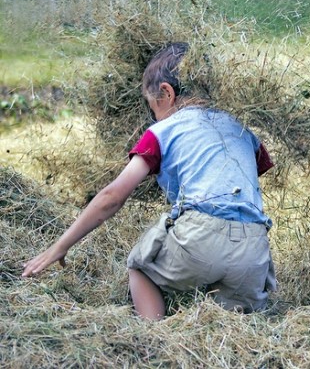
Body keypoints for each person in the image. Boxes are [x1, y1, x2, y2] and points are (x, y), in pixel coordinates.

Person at [22, 42, 277, 320]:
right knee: (229, 322)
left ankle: (153, 337)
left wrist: (60, 246)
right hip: (254, 250)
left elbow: (112, 197)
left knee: (141, 267)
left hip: (201, 239)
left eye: (151, 104)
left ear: (166, 93)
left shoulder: (162, 130)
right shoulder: (242, 130)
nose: (152, 114)